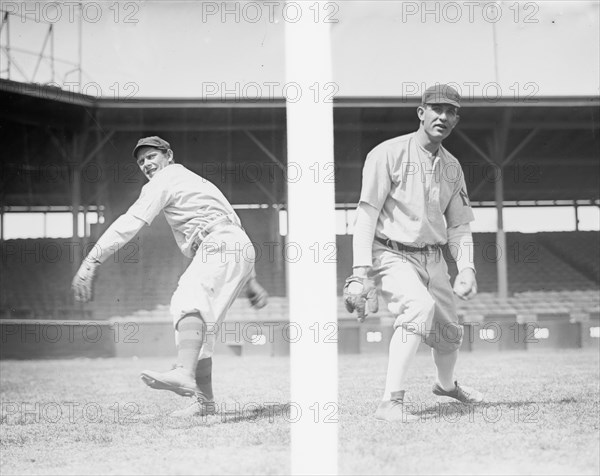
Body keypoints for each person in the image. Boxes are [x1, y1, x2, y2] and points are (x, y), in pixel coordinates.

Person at [72, 136, 268, 417]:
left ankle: (184, 373)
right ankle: (205, 403)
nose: (146, 164)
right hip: (232, 243)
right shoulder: (196, 182)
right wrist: (250, 281)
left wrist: (92, 259)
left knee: (187, 296)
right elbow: (231, 222)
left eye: (151, 156)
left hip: (220, 242)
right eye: (141, 161)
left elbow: (131, 221)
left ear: (169, 155)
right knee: (202, 328)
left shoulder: (167, 177)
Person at [343, 84, 483, 422]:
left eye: (450, 112)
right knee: (418, 308)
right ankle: (390, 403)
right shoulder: (387, 153)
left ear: (456, 119)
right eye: (436, 109)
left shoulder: (453, 167)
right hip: (391, 252)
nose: (443, 116)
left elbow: (460, 227)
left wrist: (467, 268)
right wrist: (361, 273)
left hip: (433, 257)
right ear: (421, 113)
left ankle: (446, 385)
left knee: (450, 333)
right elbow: (366, 215)